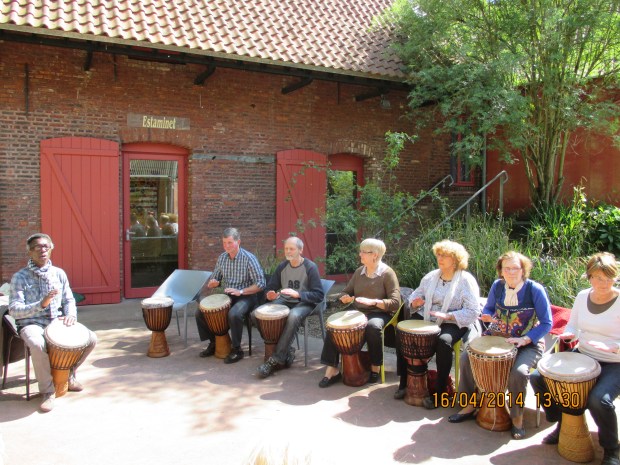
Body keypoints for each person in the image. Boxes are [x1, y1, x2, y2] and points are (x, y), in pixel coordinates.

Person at [447, 251, 552, 440]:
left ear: (523, 270)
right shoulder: (498, 286)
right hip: (497, 337)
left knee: (519, 373)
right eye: (506, 268)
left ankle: (517, 418)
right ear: (501, 270)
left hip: (528, 343)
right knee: (466, 358)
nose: (511, 272)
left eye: (515, 268)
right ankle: (469, 405)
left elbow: (547, 323)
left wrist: (526, 339)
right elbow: (488, 307)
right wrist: (487, 315)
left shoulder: (535, 290)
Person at [530, 252, 619, 465]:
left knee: (599, 400)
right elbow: (573, 326)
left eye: (609, 278)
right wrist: (569, 334)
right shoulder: (582, 296)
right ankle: (563, 422)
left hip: (615, 362)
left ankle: (611, 449)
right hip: (584, 355)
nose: (604, 283)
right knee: (538, 378)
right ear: (589, 277)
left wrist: (614, 347)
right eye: (598, 278)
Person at [8, 233, 97, 413]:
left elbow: (69, 299)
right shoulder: (20, 277)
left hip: (55, 321)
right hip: (31, 323)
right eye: (37, 247)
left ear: (51, 250)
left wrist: (70, 315)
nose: (42, 250)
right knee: (37, 343)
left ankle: (67, 375)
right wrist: (41, 304)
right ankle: (48, 391)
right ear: (29, 252)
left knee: (91, 339)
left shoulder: (58, 273)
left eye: (46, 247)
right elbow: (15, 310)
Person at [394, 240, 480, 408]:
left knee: (443, 342)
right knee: (402, 332)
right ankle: (404, 382)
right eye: (438, 255)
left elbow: (473, 310)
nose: (440, 258)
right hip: (427, 316)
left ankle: (440, 393)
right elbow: (415, 295)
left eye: (445, 256)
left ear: (455, 259)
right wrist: (415, 303)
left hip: (453, 321)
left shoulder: (466, 281)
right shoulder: (431, 276)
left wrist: (449, 315)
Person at [318, 238, 401, 387]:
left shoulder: (387, 274)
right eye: (360, 251)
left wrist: (374, 302)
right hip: (358, 310)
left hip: (378, 312)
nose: (360, 254)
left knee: (373, 327)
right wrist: (344, 297)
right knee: (334, 326)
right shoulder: (359, 272)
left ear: (375, 255)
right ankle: (332, 369)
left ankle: (375, 366)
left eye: (364, 252)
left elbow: (395, 303)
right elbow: (346, 291)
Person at [253, 237, 324, 378]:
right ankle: (286, 348)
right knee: (256, 314)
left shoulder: (310, 267)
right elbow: (270, 287)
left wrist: (298, 294)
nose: (288, 251)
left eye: (292, 249)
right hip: (285, 300)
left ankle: (275, 359)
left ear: (300, 250)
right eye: (286, 248)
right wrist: (269, 295)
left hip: (305, 302)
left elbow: (319, 295)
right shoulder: (282, 267)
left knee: (293, 316)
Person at [195, 227, 266, 363]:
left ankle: (237, 350)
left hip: (247, 296)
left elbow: (261, 284)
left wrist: (241, 291)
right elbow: (216, 278)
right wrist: (214, 283)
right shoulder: (222, 258)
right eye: (224, 243)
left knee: (234, 314)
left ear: (238, 242)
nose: (226, 246)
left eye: (229, 242)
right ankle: (214, 342)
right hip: (228, 295)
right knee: (200, 312)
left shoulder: (249, 258)